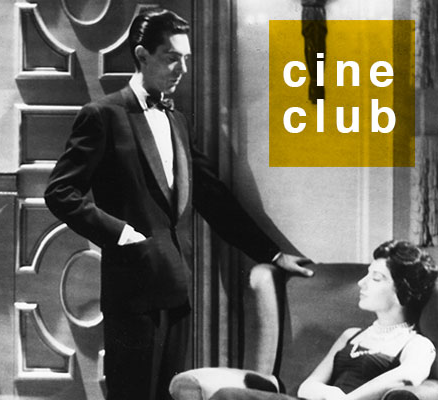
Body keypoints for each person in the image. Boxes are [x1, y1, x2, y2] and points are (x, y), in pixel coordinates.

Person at [43, 8, 314, 400]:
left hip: (176, 290)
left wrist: (272, 254)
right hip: (131, 293)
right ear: (142, 55)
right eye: (172, 58)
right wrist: (121, 234)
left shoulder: (178, 122)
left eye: (186, 58)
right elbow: (60, 193)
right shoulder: (103, 116)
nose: (182, 69)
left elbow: (214, 198)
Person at [179, 240, 438, 400]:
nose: (362, 282)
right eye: (367, 274)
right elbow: (307, 387)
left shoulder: (417, 344)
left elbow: (406, 378)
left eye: (376, 278)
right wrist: (328, 394)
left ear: (402, 290)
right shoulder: (352, 335)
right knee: (228, 395)